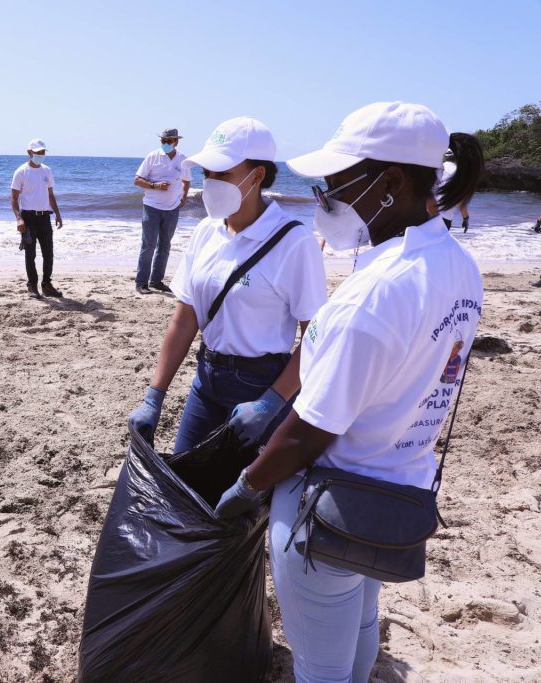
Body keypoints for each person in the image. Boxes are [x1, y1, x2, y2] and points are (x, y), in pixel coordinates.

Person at [214, 102, 484, 683]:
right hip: (393, 497)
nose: (324, 198)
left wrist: (246, 486)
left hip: (326, 516)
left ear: (390, 182)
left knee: (321, 669)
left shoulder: (374, 295)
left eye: (335, 184)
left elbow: (311, 429)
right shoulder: (459, 266)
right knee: (360, 628)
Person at [128, 117, 327, 455]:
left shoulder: (294, 242)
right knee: (186, 488)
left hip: (262, 385)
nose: (212, 183)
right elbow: (184, 319)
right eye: (208, 174)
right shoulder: (207, 231)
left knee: (245, 500)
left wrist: (270, 404)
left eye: (224, 174)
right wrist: (154, 396)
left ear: (258, 175)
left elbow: (315, 337)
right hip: (206, 380)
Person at [133, 128, 191, 294]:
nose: (165, 144)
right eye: (163, 141)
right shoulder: (152, 156)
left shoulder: (183, 159)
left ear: (176, 142)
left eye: (168, 141)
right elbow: (136, 180)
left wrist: (184, 196)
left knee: (165, 246)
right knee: (149, 245)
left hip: (172, 209)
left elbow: (186, 180)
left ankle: (156, 281)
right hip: (151, 207)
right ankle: (141, 282)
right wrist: (154, 186)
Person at [11, 139, 64, 299]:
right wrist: (19, 219)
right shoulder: (21, 172)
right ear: (30, 153)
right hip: (28, 218)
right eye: (38, 152)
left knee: (49, 253)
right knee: (30, 254)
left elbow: (50, 194)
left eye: (43, 152)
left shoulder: (47, 171)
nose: (41, 155)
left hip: (44, 217)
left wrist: (57, 214)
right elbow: (14, 198)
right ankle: (32, 286)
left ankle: (47, 285)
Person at [434, 133, 483, 232]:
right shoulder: (459, 173)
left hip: (429, 214)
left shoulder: (437, 168)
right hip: (445, 218)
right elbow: (461, 202)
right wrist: (466, 218)